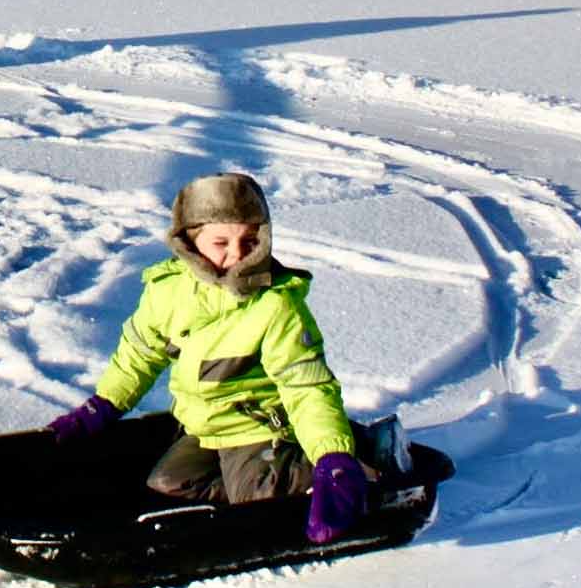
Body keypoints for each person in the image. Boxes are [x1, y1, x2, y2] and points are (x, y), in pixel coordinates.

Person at [45, 171, 370, 544]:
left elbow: (307, 386)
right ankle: (247, 484)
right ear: (191, 243)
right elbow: (140, 352)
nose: (237, 254)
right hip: (205, 428)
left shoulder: (276, 306)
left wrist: (334, 457)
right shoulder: (168, 292)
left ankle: (355, 460)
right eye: (221, 242)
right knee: (166, 484)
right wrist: (103, 405)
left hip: (260, 428)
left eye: (250, 241)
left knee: (256, 496)